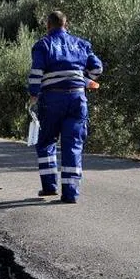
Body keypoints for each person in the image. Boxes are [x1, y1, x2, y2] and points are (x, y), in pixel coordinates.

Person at [28, 11, 103, 203]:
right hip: (77, 100)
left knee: (46, 142)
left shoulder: (43, 45)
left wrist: (33, 95)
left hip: (52, 100)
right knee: (73, 145)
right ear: (65, 24)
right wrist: (85, 79)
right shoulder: (81, 44)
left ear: (48, 25)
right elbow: (97, 69)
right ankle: (70, 194)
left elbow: (36, 73)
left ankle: (49, 187)